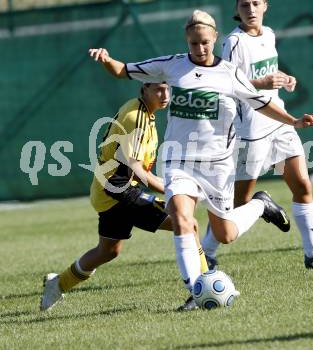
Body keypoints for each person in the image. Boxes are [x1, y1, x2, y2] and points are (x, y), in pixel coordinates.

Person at [88, 9, 313, 310]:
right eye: (194, 43)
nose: (200, 48)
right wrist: (107, 59)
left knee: (225, 234)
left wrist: (293, 121)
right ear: (188, 39)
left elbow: (261, 102)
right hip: (179, 162)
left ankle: (261, 204)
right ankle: (196, 291)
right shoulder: (172, 66)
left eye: (205, 43)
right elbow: (123, 70)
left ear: (214, 39)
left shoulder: (229, 73)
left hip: (217, 165)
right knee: (182, 218)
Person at [202, 0, 313, 269]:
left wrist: (283, 78)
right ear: (237, 10)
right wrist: (262, 84)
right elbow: (226, 83)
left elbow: (266, 74)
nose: (251, 9)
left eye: (256, 4)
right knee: (237, 202)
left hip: (279, 123)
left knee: (303, 184)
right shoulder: (233, 42)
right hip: (250, 131)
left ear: (265, 6)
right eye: (245, 5)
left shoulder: (269, 35)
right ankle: (206, 251)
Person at [40, 82, 209, 311]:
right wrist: (173, 191)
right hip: (118, 189)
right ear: (144, 89)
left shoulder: (144, 113)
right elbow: (137, 169)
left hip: (108, 192)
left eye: (167, 88)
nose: (165, 94)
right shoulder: (135, 117)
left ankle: (58, 283)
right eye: (158, 89)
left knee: (108, 251)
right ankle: (201, 289)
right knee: (188, 223)